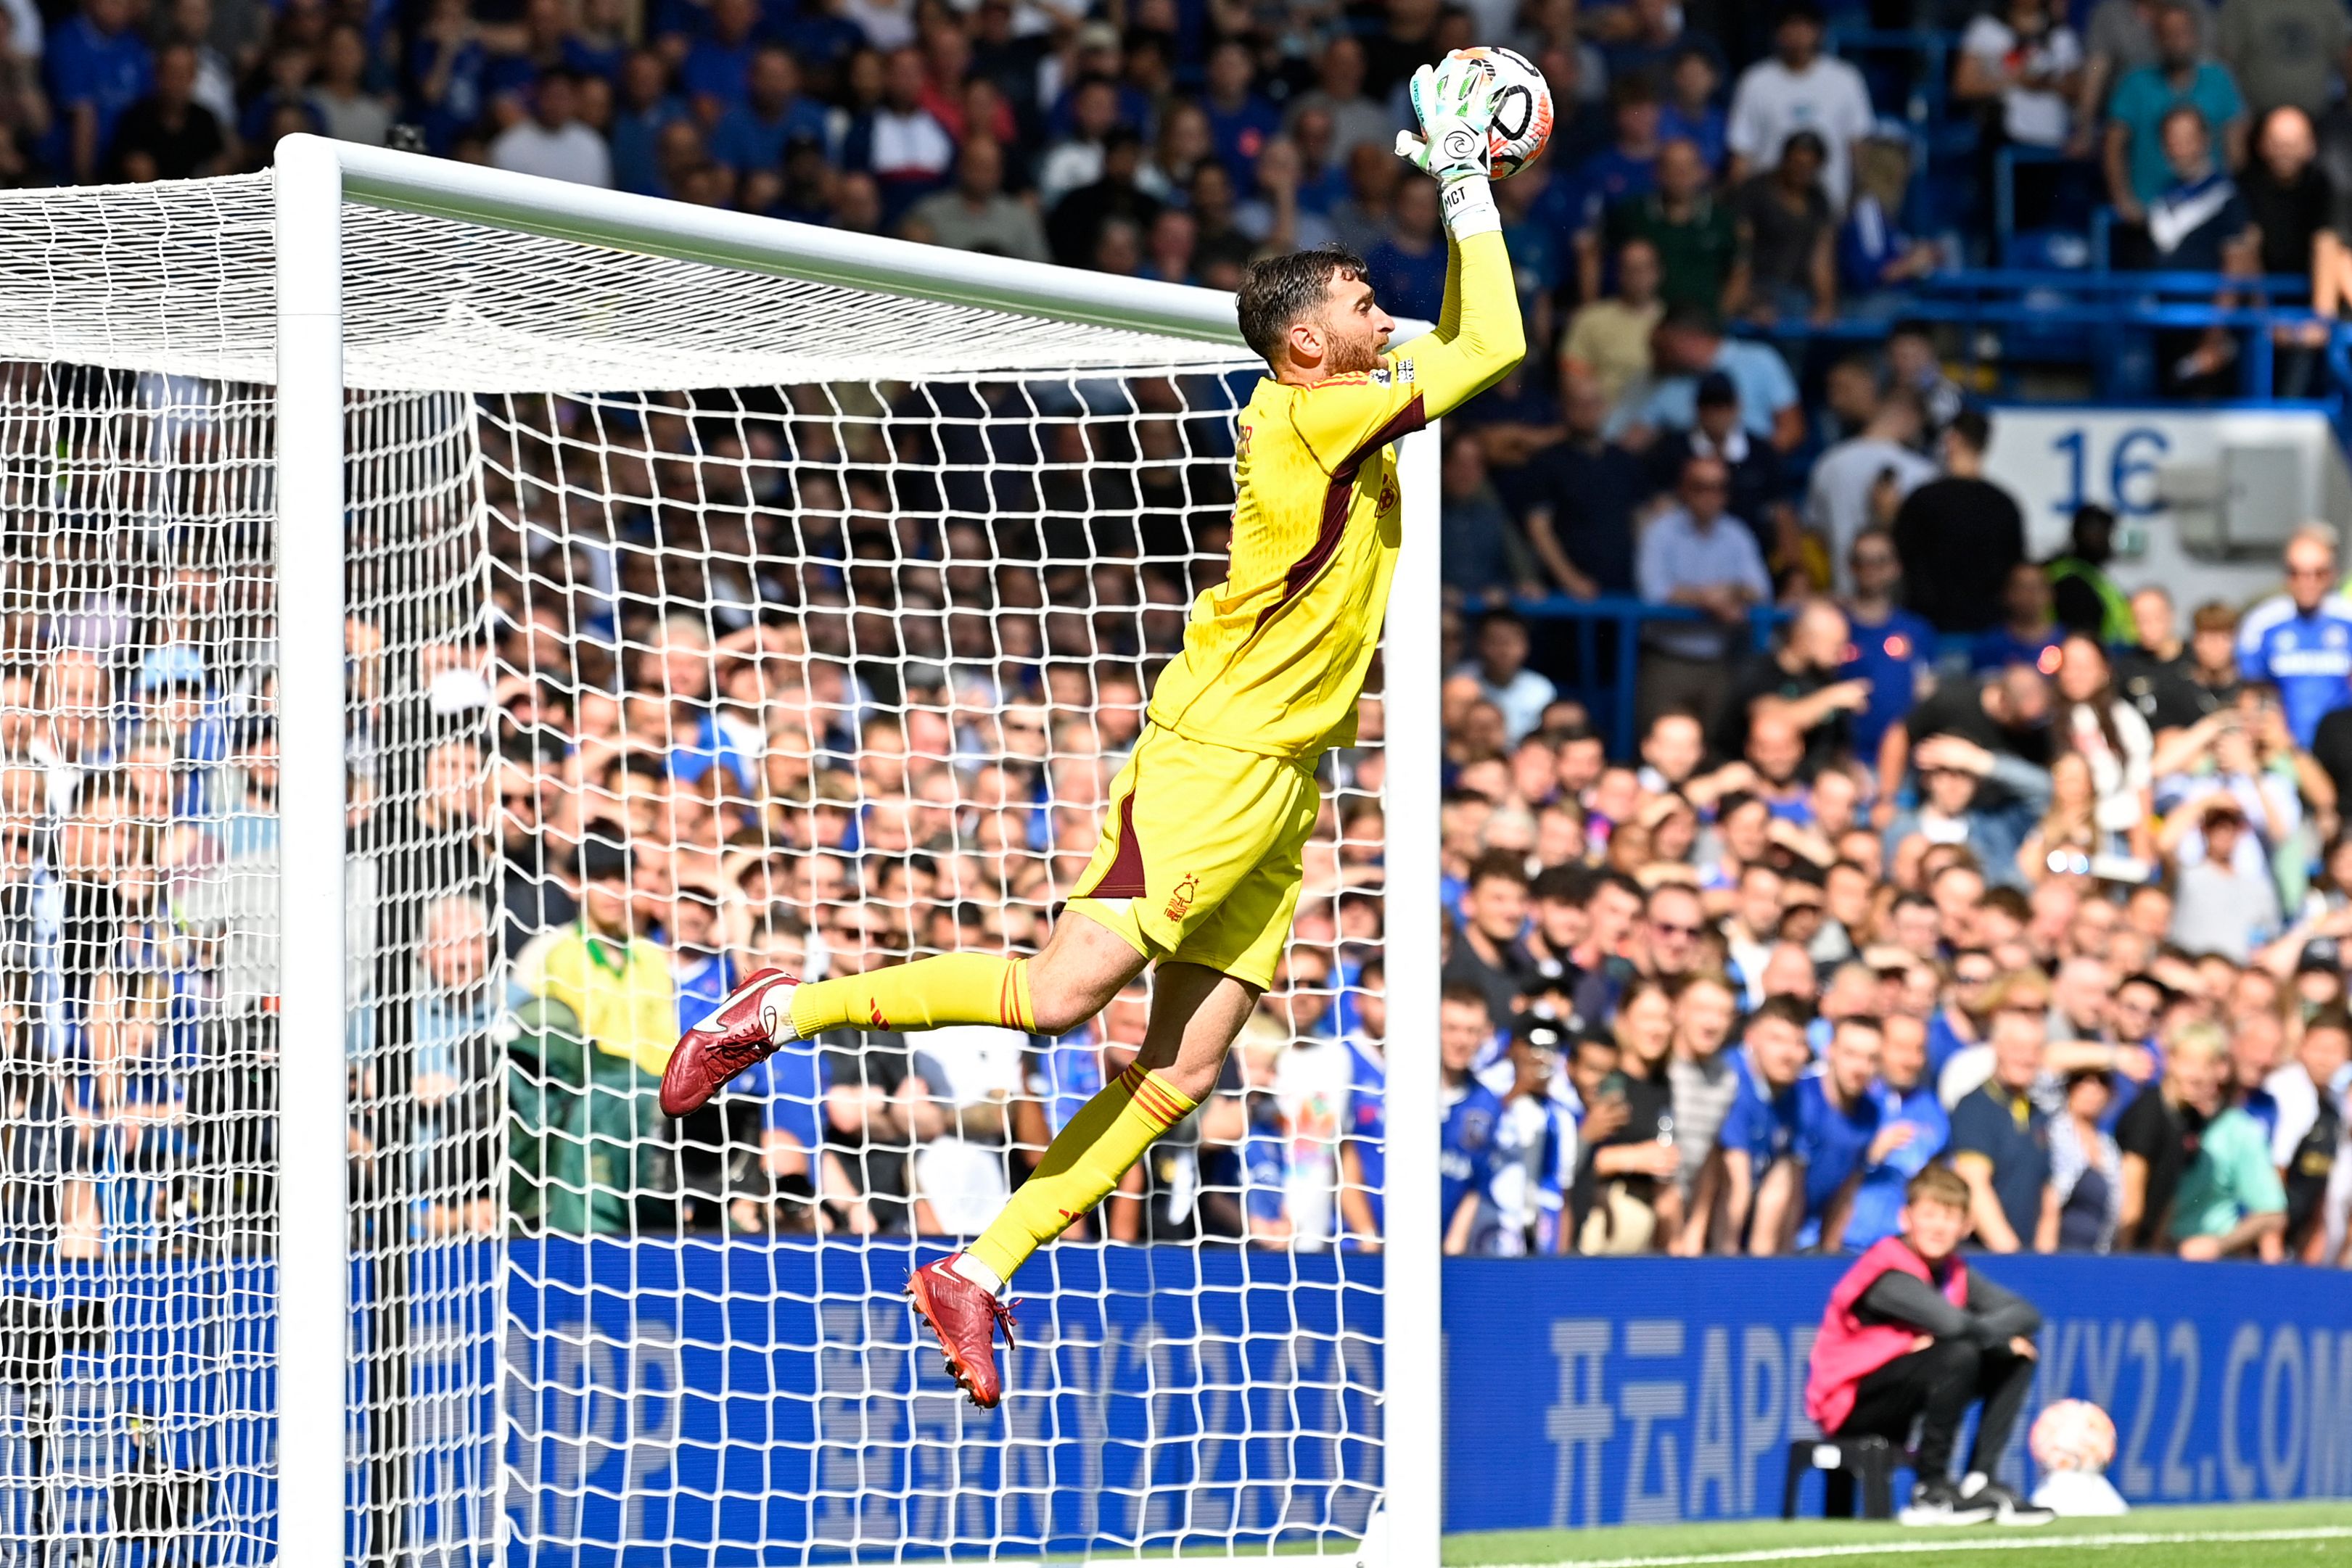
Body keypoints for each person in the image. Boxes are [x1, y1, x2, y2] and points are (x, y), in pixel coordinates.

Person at [658, 57, 1528, 1409]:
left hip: (1284, 780)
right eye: (1363, 304)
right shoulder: (1307, 420)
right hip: (1210, 759)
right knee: (1063, 998)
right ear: (1308, 342)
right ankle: (784, 1010)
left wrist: (1476, 196)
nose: (1381, 314)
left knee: (1184, 1066)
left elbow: (1466, 332)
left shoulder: (1346, 403)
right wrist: (1465, 183)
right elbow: (1496, 348)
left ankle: (980, 1268)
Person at [1803, 1165, 2055, 1527]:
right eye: (1930, 1215)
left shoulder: (1955, 1271)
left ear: (1967, 1226)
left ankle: (1979, 1479)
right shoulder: (1887, 1269)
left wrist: (1991, 1339)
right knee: (1959, 1352)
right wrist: (1980, 1335)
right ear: (1906, 1218)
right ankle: (1930, 1489)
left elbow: (2027, 1313)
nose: (1939, 1227)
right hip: (1850, 1403)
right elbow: (1953, 1325)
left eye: (1950, 1217)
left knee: (2016, 1357)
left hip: (1907, 1386)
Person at [1635, 452, 1774, 733]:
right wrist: (1708, 600)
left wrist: (1729, 591)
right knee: (1658, 744)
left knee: (1715, 750)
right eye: (1700, 486)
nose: (1710, 496)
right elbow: (1654, 591)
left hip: (1720, 663)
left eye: (1718, 487)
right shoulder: (1661, 531)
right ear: (1683, 489)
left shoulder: (1737, 534)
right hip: (1667, 660)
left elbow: (1760, 590)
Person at [2103, 0, 2249, 223]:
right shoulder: (2134, 83)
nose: (2177, 41)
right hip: (2149, 213)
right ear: (2156, 39)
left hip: (2209, 210)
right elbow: (2113, 146)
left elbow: (2236, 150)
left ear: (2195, 36)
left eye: (2183, 33)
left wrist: (2233, 200)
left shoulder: (2219, 80)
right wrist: (2123, 200)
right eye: (2168, 34)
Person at [1725, 0, 1875, 210]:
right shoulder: (1755, 81)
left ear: (1819, 32)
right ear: (1777, 33)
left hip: (1831, 202)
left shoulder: (1846, 79)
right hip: (1771, 209)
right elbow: (1742, 150)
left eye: (1805, 26)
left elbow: (1858, 143)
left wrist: (1859, 196)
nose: (1797, 34)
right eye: (1790, 26)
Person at [1892, 410, 2027, 636]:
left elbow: (1901, 561)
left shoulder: (1923, 500)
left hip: (1931, 626)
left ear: (1951, 440)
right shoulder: (2004, 505)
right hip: (1989, 627)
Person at [1948, 981, 2055, 1253]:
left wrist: (2045, 1259)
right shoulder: (1975, 1107)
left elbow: (2047, 1194)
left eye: (2034, 1050)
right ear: (1997, 1047)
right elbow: (1975, 1186)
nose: (2026, 1058)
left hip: (2031, 1259)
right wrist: (2012, 1255)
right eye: (2017, 1048)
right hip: (1988, 1258)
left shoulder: (2039, 1113)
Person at [1809, 383, 1936, 595]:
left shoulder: (1828, 463)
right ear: (1912, 417)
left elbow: (1817, 538)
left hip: (1844, 593)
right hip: (1893, 602)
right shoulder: (1922, 473)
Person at [2237, 521, 2352, 748]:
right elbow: (2251, 693)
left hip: (2343, 749)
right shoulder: (2261, 623)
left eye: (2317, 573)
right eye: (2296, 573)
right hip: (2282, 751)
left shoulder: (2347, 619)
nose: (2307, 582)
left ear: (2332, 574)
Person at [2044, 505, 2136, 646]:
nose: (2110, 542)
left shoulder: (2089, 575)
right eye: (2107, 533)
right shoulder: (2072, 582)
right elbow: (2081, 639)